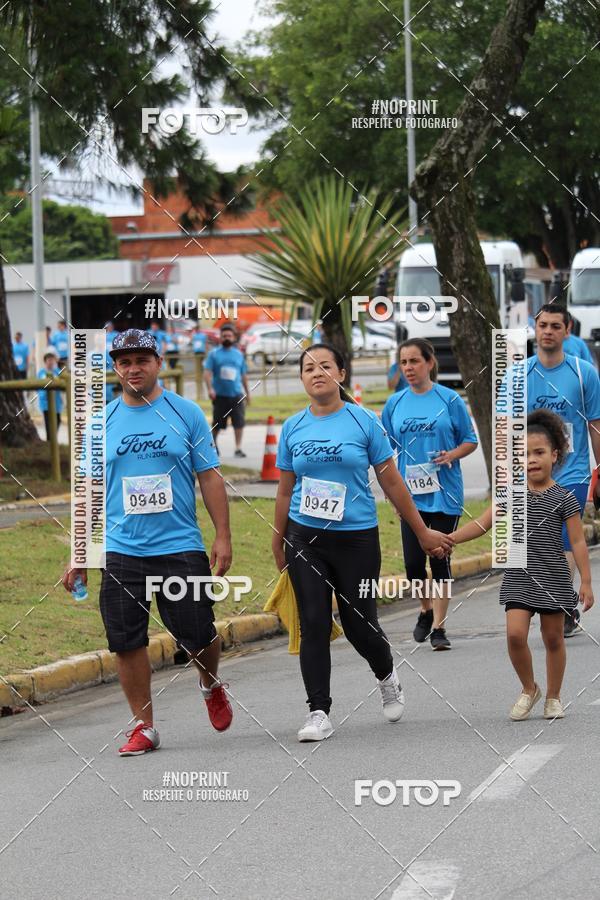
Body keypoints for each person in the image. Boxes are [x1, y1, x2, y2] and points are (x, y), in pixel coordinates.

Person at [62, 328, 233, 756]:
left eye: (141, 360)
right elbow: (88, 490)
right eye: (124, 362)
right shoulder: (101, 423)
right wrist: (79, 553)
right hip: (123, 550)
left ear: (158, 362)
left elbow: (209, 476)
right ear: (115, 368)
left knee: (198, 633)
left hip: (179, 544)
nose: (133, 369)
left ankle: (210, 682)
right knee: (125, 640)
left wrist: (223, 535)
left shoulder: (187, 412)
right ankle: (144, 726)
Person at [272, 343, 454, 742]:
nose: (316, 372)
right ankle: (318, 711)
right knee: (314, 623)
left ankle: (386, 673)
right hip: (305, 537)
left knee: (358, 624)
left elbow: (391, 480)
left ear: (341, 373)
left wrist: (421, 530)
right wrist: (278, 539)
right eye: (307, 368)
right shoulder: (292, 428)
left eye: (324, 365)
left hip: (356, 539)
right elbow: (285, 491)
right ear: (301, 379)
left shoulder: (363, 422)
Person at [447, 410, 594, 720]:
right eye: (524, 454)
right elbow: (483, 525)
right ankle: (529, 688)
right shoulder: (511, 494)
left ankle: (553, 696)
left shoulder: (565, 498)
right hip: (519, 576)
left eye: (539, 452)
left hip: (553, 576)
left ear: (555, 455)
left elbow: (578, 542)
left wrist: (586, 582)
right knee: (515, 635)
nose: (531, 460)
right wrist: (451, 539)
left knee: (553, 638)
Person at [381, 339, 478, 650]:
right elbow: (384, 452)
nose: (408, 368)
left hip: (445, 492)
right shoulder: (394, 403)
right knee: (412, 564)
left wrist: (451, 454)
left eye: (414, 361)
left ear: (430, 363)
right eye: (403, 362)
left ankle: (439, 627)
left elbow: (470, 440)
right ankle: (424, 609)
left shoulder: (449, 399)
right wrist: (391, 492)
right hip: (409, 494)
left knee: (439, 559)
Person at [527, 305, 600, 637]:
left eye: (556, 326)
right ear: (535, 328)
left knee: (565, 539)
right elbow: (508, 430)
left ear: (566, 331)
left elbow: (595, 424)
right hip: (532, 473)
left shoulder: (585, 373)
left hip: (573, 472)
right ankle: (562, 596)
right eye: (543, 325)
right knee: (545, 543)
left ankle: (561, 603)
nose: (548, 331)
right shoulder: (519, 376)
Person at [204, 323, 251, 457]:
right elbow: (207, 373)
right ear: (220, 337)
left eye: (229, 336)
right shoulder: (214, 354)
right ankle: (214, 446)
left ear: (234, 337)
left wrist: (247, 392)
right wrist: (210, 389)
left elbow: (243, 375)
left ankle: (238, 448)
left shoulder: (238, 354)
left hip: (236, 394)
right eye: (224, 336)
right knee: (218, 422)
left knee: (239, 422)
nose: (227, 338)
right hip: (219, 395)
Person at [37, 350, 63, 440]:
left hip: (56, 402)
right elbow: (39, 385)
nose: (51, 362)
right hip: (45, 402)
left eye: (52, 360)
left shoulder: (57, 371)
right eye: (49, 360)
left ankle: (53, 438)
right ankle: (49, 440)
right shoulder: (41, 372)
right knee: (48, 423)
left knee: (58, 420)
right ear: (45, 361)